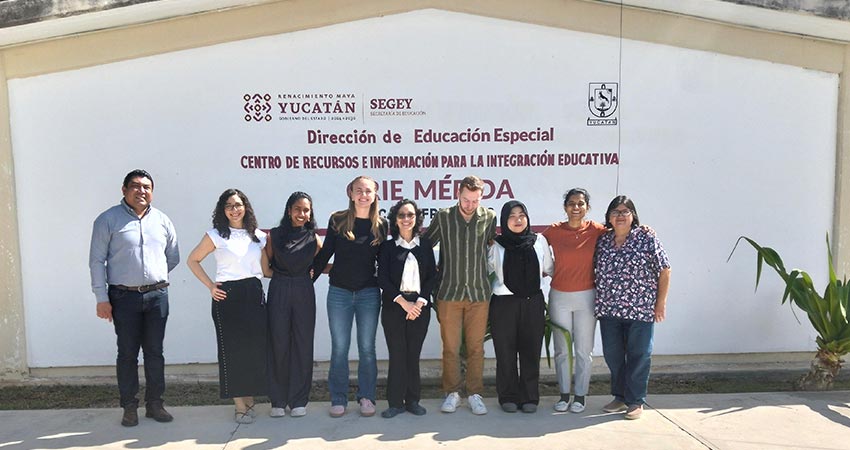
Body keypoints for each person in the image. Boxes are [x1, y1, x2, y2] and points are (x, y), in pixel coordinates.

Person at [89, 169, 179, 427]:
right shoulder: (107, 220)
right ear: (124, 190)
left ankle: (155, 404)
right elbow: (96, 261)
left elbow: (172, 257)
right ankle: (129, 407)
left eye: (146, 187)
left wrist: (152, 277)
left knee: (155, 352)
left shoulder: (162, 220)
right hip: (123, 297)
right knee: (127, 353)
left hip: (157, 296)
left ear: (152, 192)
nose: (141, 191)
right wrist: (101, 297)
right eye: (136, 186)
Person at [186, 188, 269, 424]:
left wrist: (299, 273)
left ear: (246, 207)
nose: (234, 210)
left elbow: (266, 270)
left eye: (238, 204)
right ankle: (239, 405)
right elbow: (192, 260)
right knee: (232, 351)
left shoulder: (259, 236)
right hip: (228, 297)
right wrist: (210, 286)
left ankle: (249, 398)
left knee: (253, 350)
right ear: (223, 210)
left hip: (254, 294)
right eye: (229, 206)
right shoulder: (215, 236)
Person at [312, 176, 387, 418]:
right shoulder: (338, 220)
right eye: (359, 190)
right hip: (339, 293)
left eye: (368, 191)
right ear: (351, 194)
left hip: (369, 294)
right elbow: (325, 254)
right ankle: (338, 398)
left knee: (367, 348)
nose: (363, 195)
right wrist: (306, 279)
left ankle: (367, 397)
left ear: (375, 195)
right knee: (340, 348)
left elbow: (386, 262)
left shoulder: (381, 225)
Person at [423, 175, 497, 415]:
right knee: (451, 348)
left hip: (478, 293)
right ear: (458, 194)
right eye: (466, 199)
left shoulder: (489, 217)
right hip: (449, 293)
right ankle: (452, 393)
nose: (470, 205)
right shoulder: (443, 217)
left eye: (475, 200)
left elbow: (492, 248)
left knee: (476, 348)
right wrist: (430, 275)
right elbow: (424, 245)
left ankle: (475, 393)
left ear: (481, 197)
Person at [595, 195, 671, 420]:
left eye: (625, 211)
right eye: (615, 212)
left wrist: (660, 302)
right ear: (609, 217)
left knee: (639, 355)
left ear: (633, 215)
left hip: (640, 309)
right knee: (613, 356)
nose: (620, 216)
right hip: (609, 310)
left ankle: (636, 401)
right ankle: (619, 396)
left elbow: (664, 269)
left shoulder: (646, 238)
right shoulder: (603, 240)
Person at [542, 188, 607, 413]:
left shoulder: (596, 230)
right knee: (561, 349)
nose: (576, 207)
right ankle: (563, 395)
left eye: (580, 203)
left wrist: (642, 229)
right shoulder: (554, 231)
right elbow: (533, 243)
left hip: (587, 296)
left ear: (587, 207)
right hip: (559, 296)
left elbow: (622, 232)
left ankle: (580, 396)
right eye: (571, 203)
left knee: (583, 350)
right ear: (565, 207)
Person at [488, 200, 553, 413]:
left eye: (521, 215)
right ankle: (508, 395)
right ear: (504, 221)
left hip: (532, 303)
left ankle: (529, 397)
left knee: (531, 351)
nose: (517, 220)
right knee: (505, 352)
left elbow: (548, 268)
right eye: (512, 216)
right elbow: (487, 270)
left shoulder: (539, 241)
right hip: (504, 304)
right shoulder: (496, 245)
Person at [377, 199, 437, 418]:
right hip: (395, 306)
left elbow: (431, 277)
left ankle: (413, 401)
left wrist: (419, 303)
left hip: (420, 307)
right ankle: (395, 403)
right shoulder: (387, 247)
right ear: (395, 219)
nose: (406, 219)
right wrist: (404, 303)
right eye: (401, 215)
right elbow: (382, 278)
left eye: (410, 215)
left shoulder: (426, 245)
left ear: (417, 218)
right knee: (397, 354)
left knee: (413, 355)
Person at [265, 192, 321, 418]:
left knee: (302, 343)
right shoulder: (275, 235)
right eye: (297, 209)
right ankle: (277, 400)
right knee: (278, 342)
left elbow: (320, 264)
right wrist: (282, 278)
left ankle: (298, 400)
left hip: (303, 290)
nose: (302, 214)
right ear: (289, 211)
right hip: (279, 288)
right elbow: (266, 265)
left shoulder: (313, 238)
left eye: (306, 210)